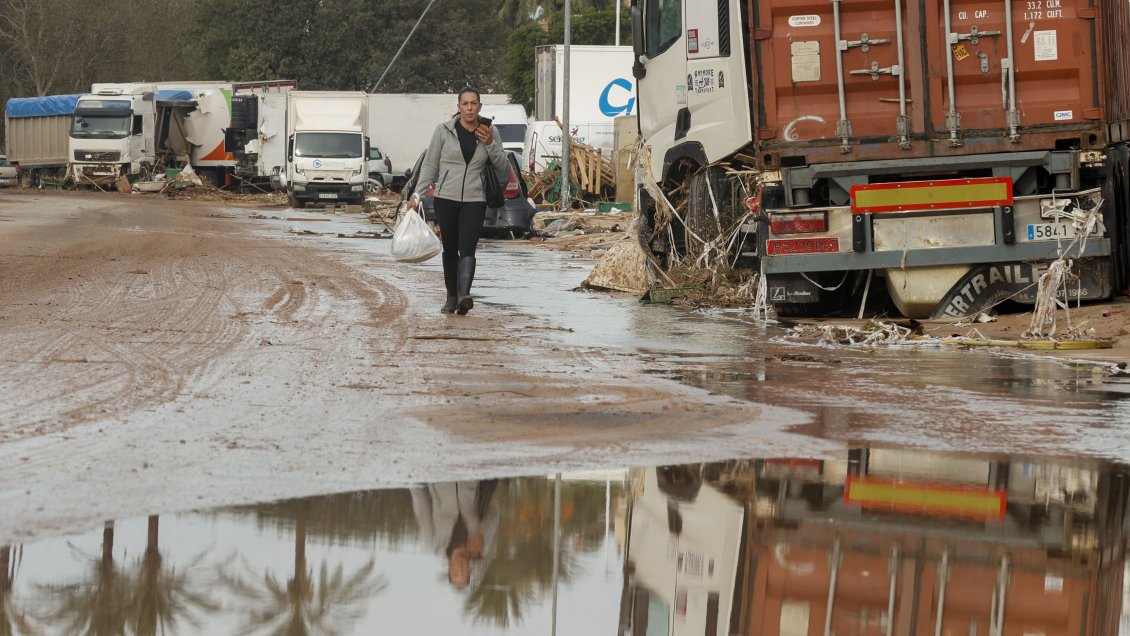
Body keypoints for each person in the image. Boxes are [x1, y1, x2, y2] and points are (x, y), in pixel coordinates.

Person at [407, 87, 510, 315]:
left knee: (468, 249)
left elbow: (503, 167)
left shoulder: (489, 131)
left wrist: (491, 143)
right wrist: (417, 195)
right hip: (446, 198)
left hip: (475, 199)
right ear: (458, 107)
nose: (470, 108)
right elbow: (430, 165)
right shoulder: (443, 131)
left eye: (474, 103)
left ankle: (464, 295)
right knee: (450, 249)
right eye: (465, 104)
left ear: (480, 107)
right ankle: (451, 297)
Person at [410, 480, 500, 589]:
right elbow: (494, 512)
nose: (461, 570)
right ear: (469, 570)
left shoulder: (434, 544)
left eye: (456, 573)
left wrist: (413, 480)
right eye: (464, 574)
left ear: (449, 569)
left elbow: (421, 504)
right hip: (469, 478)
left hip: (441, 479)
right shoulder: (480, 550)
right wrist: (482, 534)